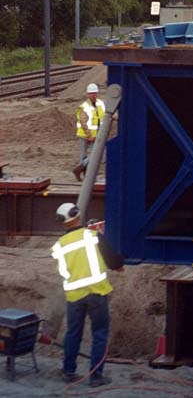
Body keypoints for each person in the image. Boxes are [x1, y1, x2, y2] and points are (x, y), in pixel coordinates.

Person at [51, 203, 123, 387]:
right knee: (99, 333)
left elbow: (63, 271)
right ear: (77, 216)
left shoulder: (59, 246)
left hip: (75, 296)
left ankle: (68, 371)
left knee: (73, 332)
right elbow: (114, 261)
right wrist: (118, 265)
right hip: (97, 292)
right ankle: (96, 376)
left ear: (62, 222)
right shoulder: (92, 236)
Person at [73, 83, 105, 181]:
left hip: (96, 134)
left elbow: (105, 115)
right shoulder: (84, 106)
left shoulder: (100, 103)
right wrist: (89, 135)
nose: (93, 95)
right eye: (91, 93)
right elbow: (83, 122)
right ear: (88, 94)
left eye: (94, 93)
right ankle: (84, 174)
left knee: (93, 155)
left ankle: (80, 170)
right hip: (85, 135)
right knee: (84, 155)